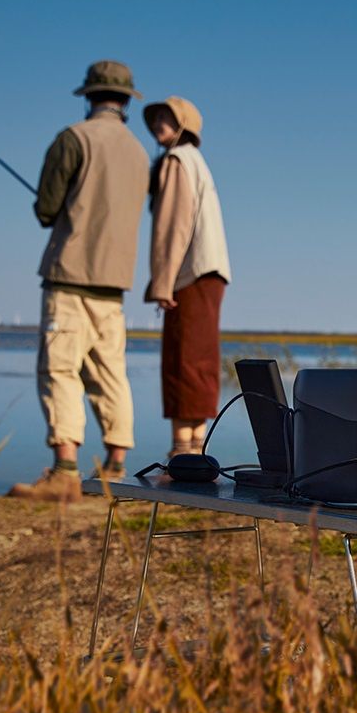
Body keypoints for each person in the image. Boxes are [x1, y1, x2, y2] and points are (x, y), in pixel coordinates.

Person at [8, 61, 150, 501]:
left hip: (70, 274)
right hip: (115, 282)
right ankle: (116, 468)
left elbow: (46, 209)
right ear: (126, 102)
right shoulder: (140, 153)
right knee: (111, 373)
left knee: (60, 369)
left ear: (89, 96)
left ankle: (65, 471)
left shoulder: (73, 138)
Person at [141, 96, 232, 457]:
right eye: (156, 118)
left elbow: (172, 226)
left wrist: (162, 282)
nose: (158, 123)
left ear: (183, 124)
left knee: (184, 360)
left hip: (191, 273)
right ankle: (194, 447)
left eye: (167, 117)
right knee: (200, 358)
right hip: (209, 270)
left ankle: (182, 451)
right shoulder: (198, 162)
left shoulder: (178, 160)